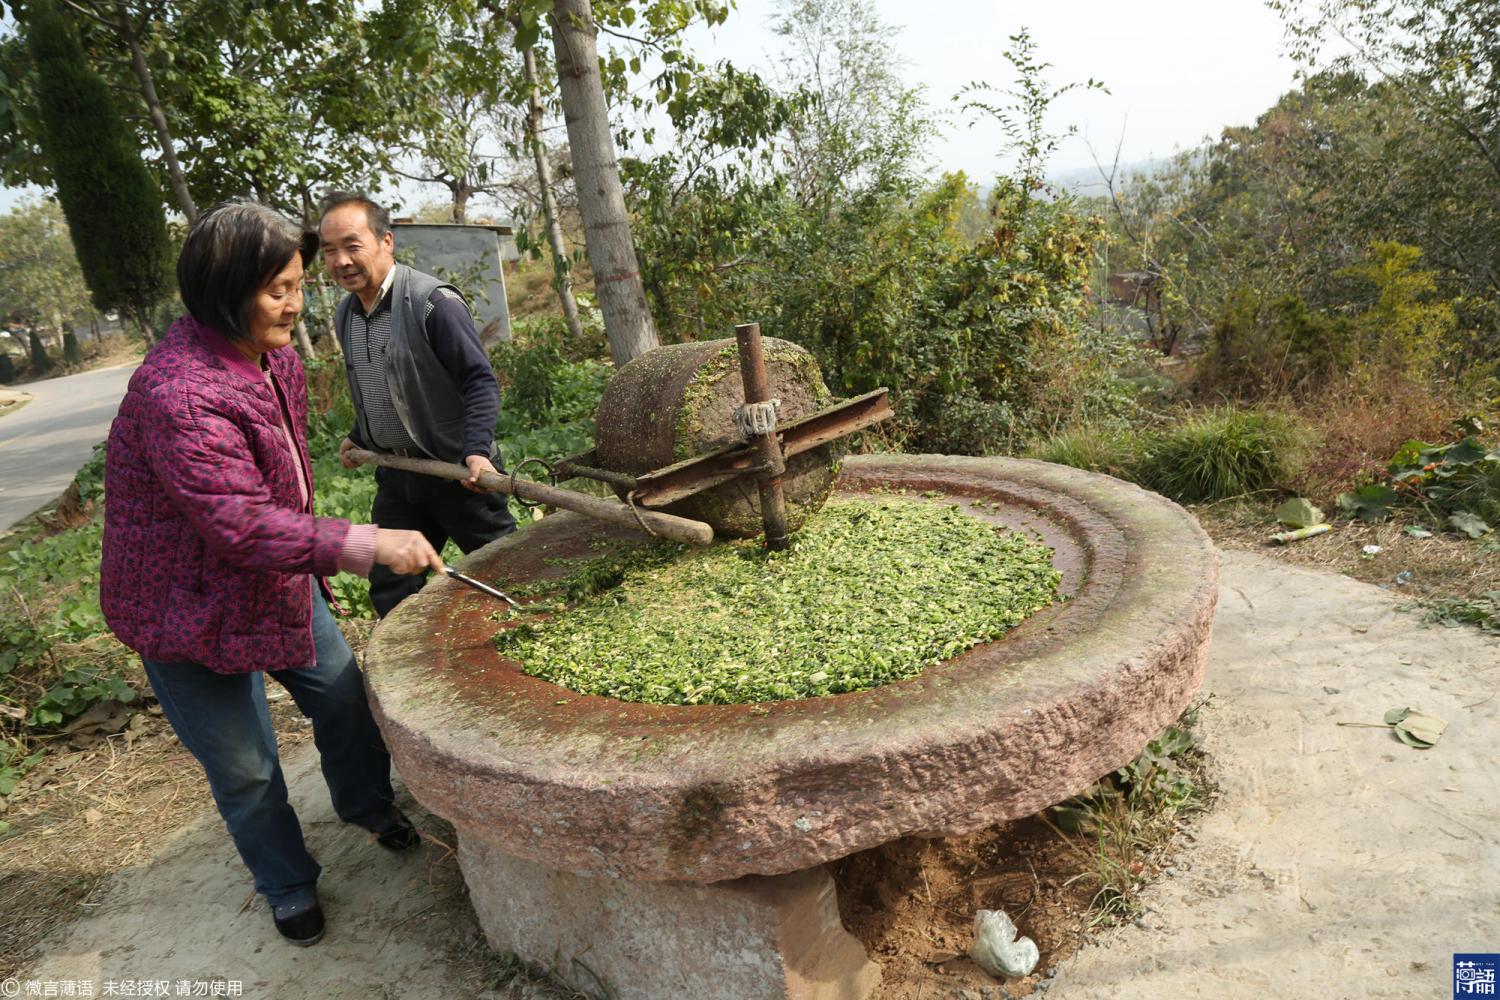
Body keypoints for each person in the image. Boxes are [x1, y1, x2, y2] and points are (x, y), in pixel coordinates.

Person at [100, 201, 446, 947]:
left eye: (297, 284)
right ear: (224, 291)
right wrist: (366, 542)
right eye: (278, 290)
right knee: (249, 767)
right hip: (182, 610)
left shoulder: (275, 360)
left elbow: (272, 497)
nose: (297, 303)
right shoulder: (178, 394)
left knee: (347, 700)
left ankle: (366, 805)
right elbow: (236, 521)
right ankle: (287, 883)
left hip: (272, 581)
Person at [318, 192, 516, 617]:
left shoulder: (433, 304)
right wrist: (360, 435)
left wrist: (477, 451)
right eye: (330, 251)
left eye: (353, 246)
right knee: (391, 583)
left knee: (508, 571)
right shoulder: (346, 314)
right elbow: (383, 384)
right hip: (399, 475)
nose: (341, 261)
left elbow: (479, 379)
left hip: (456, 473)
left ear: (386, 241)